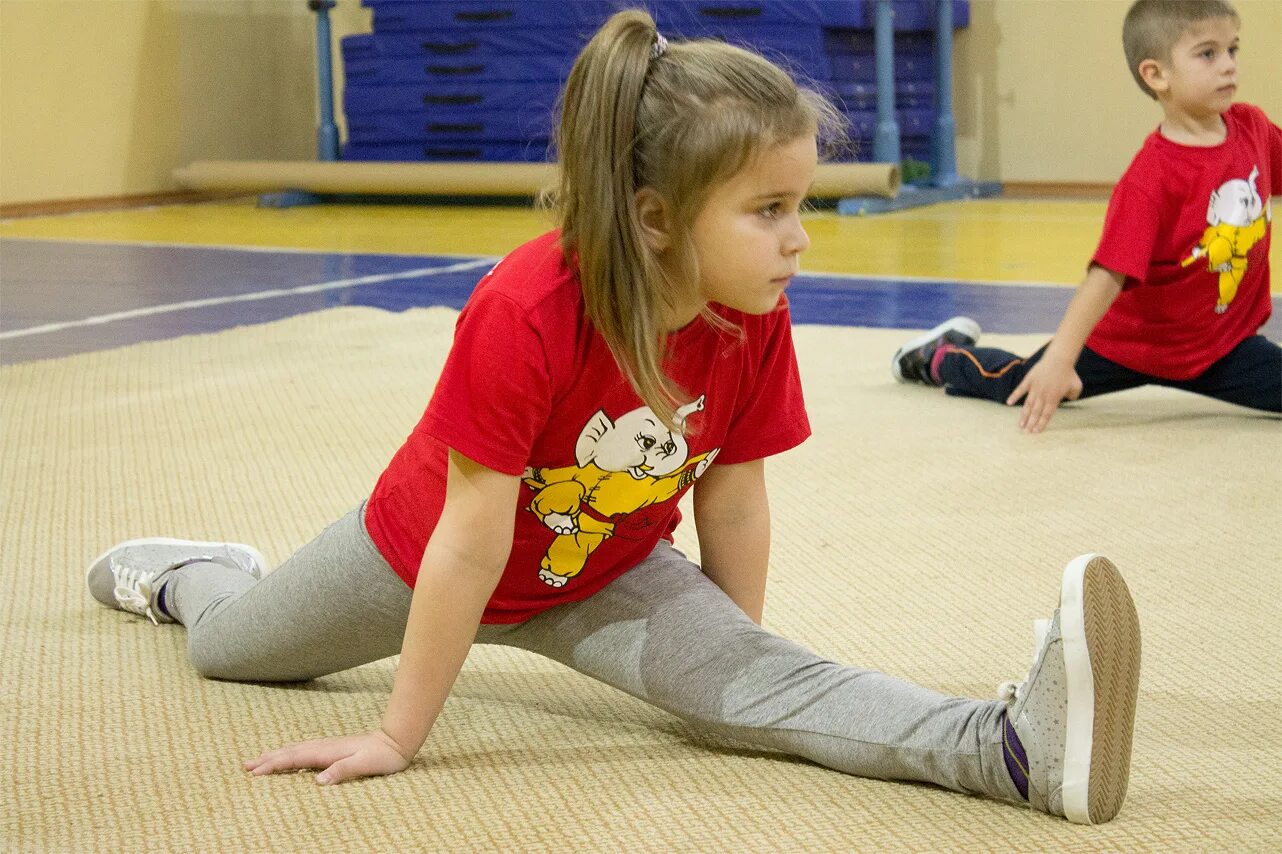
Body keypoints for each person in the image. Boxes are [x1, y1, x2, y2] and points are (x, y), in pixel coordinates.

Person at [86, 10, 1141, 825]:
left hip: (605, 569)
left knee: (769, 682)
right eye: (768, 211)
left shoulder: (749, 314)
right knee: (228, 649)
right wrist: (400, 732)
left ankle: (1013, 747)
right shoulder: (528, 303)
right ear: (655, 217)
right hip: (421, 552)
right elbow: (468, 533)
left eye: (800, 205)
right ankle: (191, 570)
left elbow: (731, 497)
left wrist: (737, 667)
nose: (799, 239)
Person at [892, 0, 1280, 433]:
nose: (1228, 65)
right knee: (1021, 384)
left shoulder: (1253, 129)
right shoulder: (1149, 179)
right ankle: (941, 357)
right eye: (1208, 53)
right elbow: (1108, 274)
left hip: (1221, 347)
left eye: (1233, 49)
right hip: (1129, 346)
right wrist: (1061, 358)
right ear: (1156, 74)